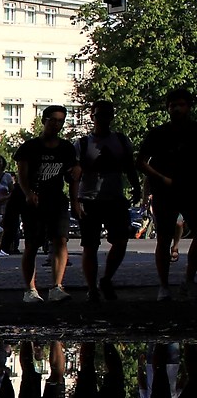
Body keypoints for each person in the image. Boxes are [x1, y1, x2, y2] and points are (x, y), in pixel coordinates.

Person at [73, 98, 137, 302]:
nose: (103, 119)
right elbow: (74, 174)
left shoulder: (121, 140)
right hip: (89, 199)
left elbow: (130, 165)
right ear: (92, 116)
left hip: (115, 198)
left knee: (121, 240)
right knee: (90, 245)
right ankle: (92, 288)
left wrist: (136, 187)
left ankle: (106, 279)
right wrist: (75, 200)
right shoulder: (82, 144)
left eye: (107, 115)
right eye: (100, 114)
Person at [15, 104, 76, 304]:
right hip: (34, 201)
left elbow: (72, 176)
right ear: (44, 121)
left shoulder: (67, 148)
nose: (56, 124)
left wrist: (75, 199)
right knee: (32, 244)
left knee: (60, 240)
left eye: (60, 121)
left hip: (56, 199)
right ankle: (30, 289)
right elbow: (21, 175)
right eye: (53, 120)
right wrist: (28, 193)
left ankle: (57, 286)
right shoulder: (30, 147)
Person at [141, 85, 197, 299]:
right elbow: (141, 162)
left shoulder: (195, 131)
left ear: (189, 107)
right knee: (163, 239)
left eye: (180, 105)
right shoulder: (158, 134)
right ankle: (163, 285)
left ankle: (189, 279)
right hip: (165, 192)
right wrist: (162, 179)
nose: (176, 109)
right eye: (172, 105)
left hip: (192, 190)